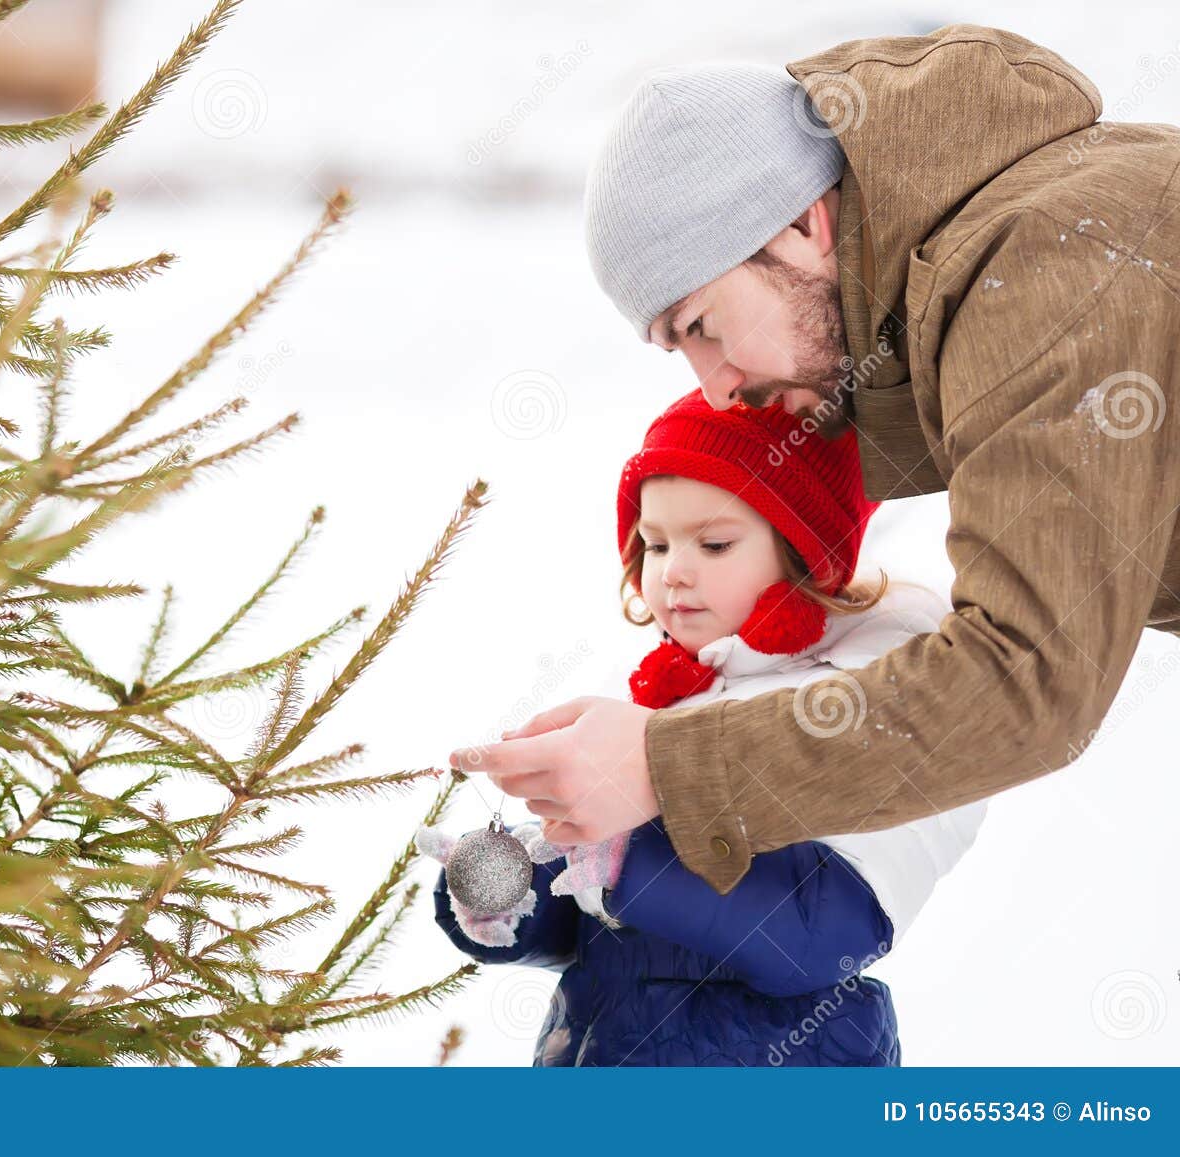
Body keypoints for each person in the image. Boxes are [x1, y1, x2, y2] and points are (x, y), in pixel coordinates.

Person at [451, 24, 1180, 896]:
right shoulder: (1032, 238)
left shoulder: (1041, 267)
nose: (715, 389)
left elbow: (1022, 676)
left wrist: (662, 766)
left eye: (703, 327)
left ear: (803, 223)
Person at [422, 391, 984, 1066]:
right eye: (654, 544)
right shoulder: (661, 706)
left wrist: (624, 855)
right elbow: (601, 924)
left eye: (713, 543)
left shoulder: (871, 704)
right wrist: (514, 895)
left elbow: (817, 934)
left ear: (804, 547)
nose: (673, 570)